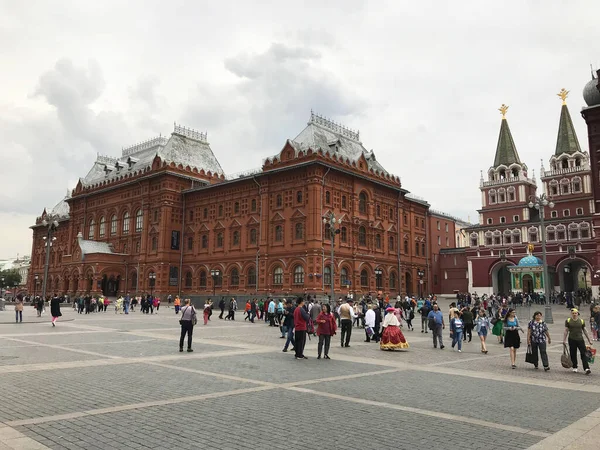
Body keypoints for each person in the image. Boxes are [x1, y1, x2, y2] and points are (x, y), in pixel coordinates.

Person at [563, 308, 593, 375]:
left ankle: (586, 368)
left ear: (577, 313)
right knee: (573, 353)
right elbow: (566, 330)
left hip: (580, 340)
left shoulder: (581, 321)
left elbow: (585, 330)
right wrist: (564, 340)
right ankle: (575, 366)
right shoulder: (568, 321)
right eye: (573, 313)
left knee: (584, 353)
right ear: (571, 314)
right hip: (571, 339)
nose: (574, 314)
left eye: (575, 313)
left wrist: (589, 340)